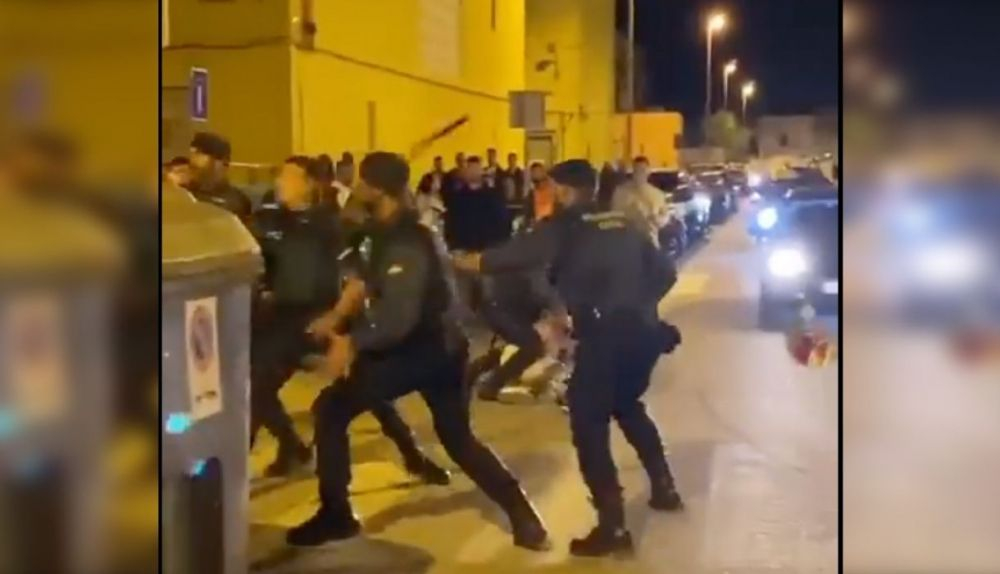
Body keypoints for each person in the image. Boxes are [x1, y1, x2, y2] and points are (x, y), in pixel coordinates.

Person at [286, 152, 549, 550]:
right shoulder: (383, 231)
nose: (355, 188)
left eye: (362, 182)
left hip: (422, 352)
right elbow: (362, 281)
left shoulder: (407, 241)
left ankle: (337, 515)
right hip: (437, 349)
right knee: (457, 438)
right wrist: (337, 317)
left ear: (377, 189)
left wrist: (353, 343)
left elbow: (399, 319)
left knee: (331, 409)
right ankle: (523, 516)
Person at [454, 159, 684, 557]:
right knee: (626, 404)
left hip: (604, 337)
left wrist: (456, 260)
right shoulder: (626, 222)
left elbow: (505, 258)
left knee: (588, 422)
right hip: (645, 334)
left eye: (551, 187)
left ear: (564, 190)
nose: (548, 193)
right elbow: (666, 273)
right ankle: (664, 488)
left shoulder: (563, 227)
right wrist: (639, 306)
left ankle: (612, 527)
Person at [252, 156, 450, 482]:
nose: (280, 183)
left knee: (368, 392)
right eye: (280, 176)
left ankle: (413, 456)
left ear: (310, 183)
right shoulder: (269, 222)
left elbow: (359, 275)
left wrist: (343, 318)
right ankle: (291, 447)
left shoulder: (335, 226)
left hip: (327, 317)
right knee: (257, 387)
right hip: (283, 320)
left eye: (290, 177)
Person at [188, 132, 252, 221]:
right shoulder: (182, 193)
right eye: (192, 153)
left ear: (222, 161)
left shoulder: (236, 201)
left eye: (199, 153)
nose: (192, 160)